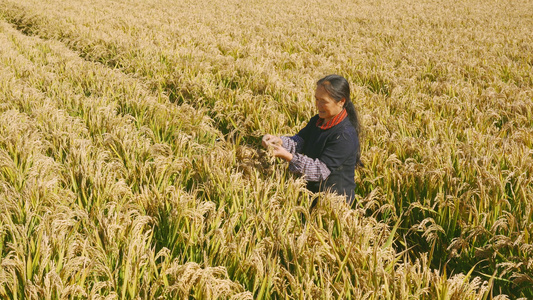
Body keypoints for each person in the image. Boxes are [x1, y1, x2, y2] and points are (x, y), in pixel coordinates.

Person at [262, 74, 362, 205]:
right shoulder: (318, 120)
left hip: (334, 204)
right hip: (312, 196)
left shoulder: (344, 136)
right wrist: (278, 141)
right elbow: (300, 141)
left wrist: (288, 156)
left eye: (323, 101)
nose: (318, 105)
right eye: (316, 99)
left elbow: (320, 170)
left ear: (341, 101)